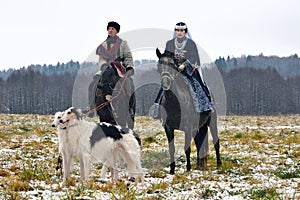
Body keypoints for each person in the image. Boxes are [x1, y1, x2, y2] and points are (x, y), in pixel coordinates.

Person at [150, 22, 213, 118]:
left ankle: (206, 107)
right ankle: (157, 109)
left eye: (181, 30)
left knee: (199, 85)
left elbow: (195, 57)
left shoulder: (191, 44)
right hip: (174, 71)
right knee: (164, 86)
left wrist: (185, 64)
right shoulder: (170, 43)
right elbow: (167, 56)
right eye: (177, 30)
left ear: (185, 32)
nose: (179, 32)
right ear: (175, 31)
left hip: (188, 71)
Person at [88, 21, 135, 126]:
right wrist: (104, 65)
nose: (110, 30)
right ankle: (91, 105)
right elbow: (101, 59)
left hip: (119, 68)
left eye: (113, 29)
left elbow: (128, 56)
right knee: (93, 83)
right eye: (109, 29)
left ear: (116, 31)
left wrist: (129, 67)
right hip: (105, 68)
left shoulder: (123, 44)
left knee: (129, 83)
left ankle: (130, 107)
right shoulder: (103, 45)